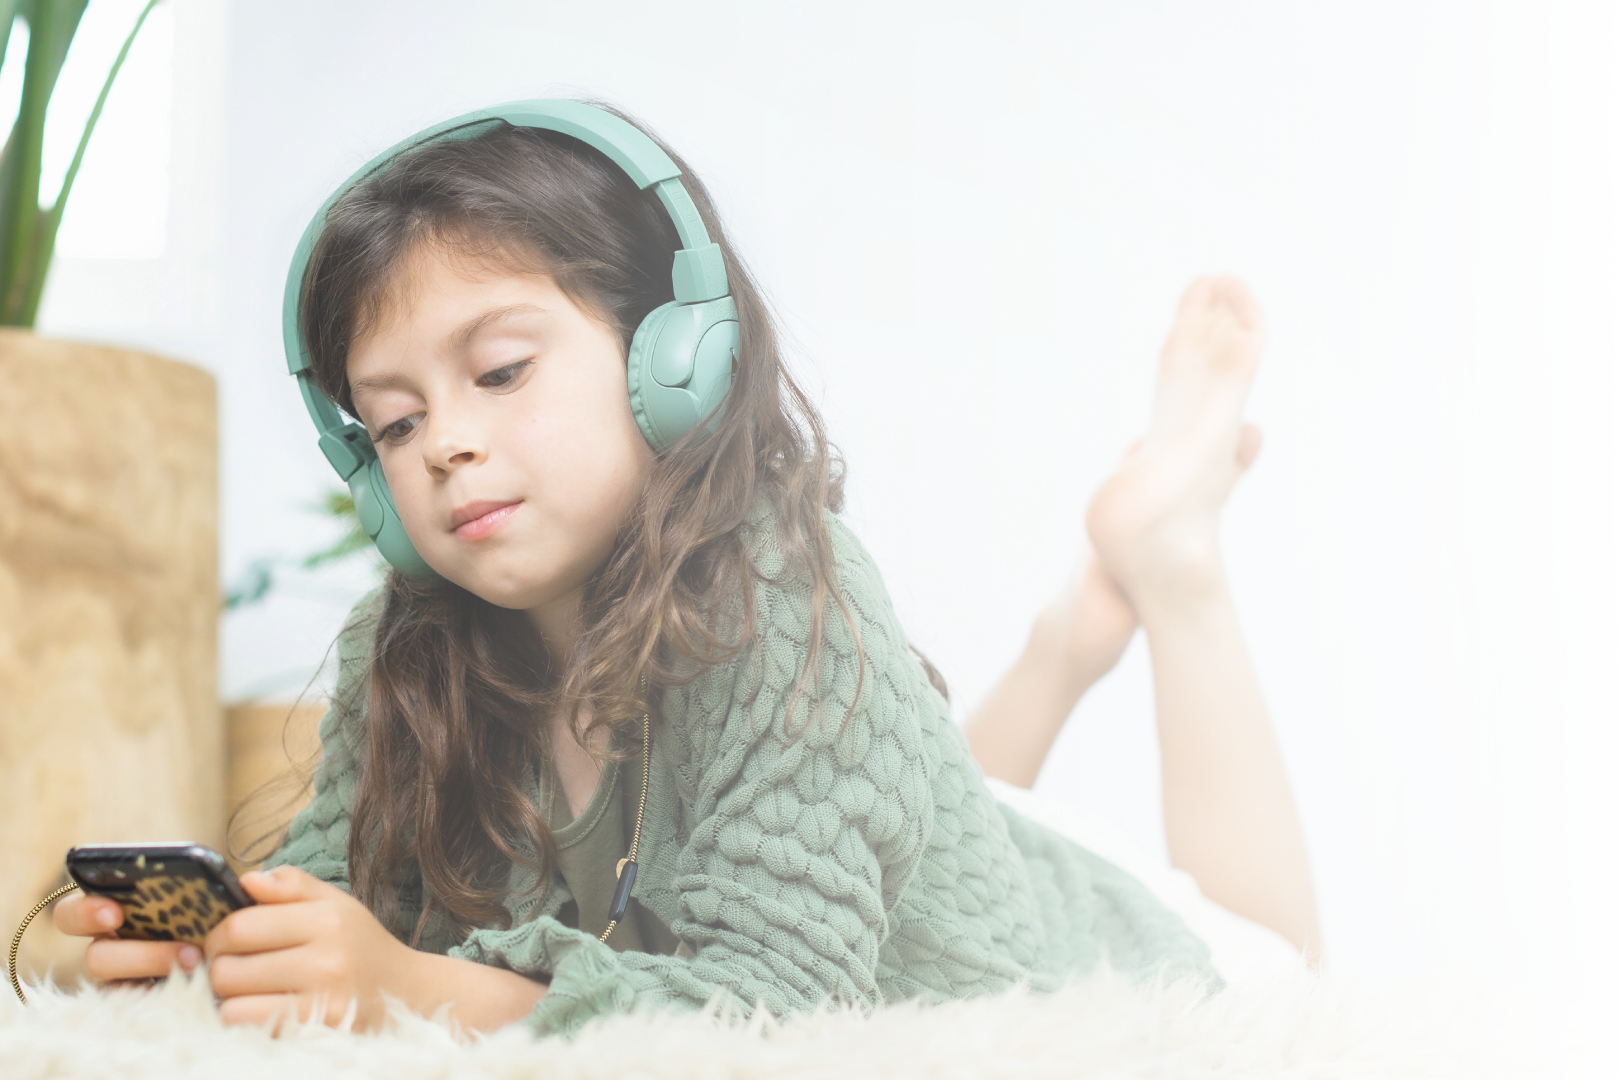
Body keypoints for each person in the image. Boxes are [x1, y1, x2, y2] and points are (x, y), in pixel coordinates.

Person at [52, 102, 1316, 1036]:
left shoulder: (779, 589)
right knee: (946, 804)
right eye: (391, 422)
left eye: (498, 372)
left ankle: (1170, 561)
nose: (444, 443)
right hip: (892, 820)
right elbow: (338, 901)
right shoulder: (418, 637)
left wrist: (418, 991)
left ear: (677, 364)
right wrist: (230, 949)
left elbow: (776, 1010)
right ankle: (1070, 641)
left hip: (1057, 926)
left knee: (1284, 970)